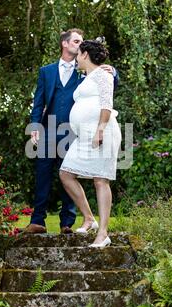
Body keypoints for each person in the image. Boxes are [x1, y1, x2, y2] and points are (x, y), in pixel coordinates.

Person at [26, 29, 118, 234]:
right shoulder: (47, 71)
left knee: (69, 171)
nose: (80, 45)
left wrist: (112, 70)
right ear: (65, 44)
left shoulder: (85, 69)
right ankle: (37, 221)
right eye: (76, 41)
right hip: (48, 128)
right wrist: (34, 126)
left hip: (74, 132)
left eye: (82, 42)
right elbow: (38, 101)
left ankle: (67, 223)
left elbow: (106, 86)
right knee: (43, 174)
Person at [59, 39, 121, 247]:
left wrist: (100, 129)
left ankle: (103, 233)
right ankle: (89, 218)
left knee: (100, 180)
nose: (76, 58)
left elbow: (107, 103)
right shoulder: (88, 77)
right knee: (66, 174)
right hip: (83, 137)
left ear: (85, 55)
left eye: (78, 54)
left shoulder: (103, 75)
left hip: (101, 131)